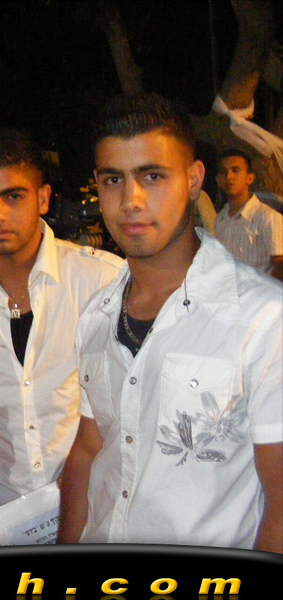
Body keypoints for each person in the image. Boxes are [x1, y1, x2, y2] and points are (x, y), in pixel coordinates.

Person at [58, 93, 282, 553]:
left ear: (194, 179)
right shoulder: (97, 315)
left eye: (152, 176)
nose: (131, 201)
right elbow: (89, 449)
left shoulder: (262, 319)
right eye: (113, 179)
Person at [0, 128, 123, 529]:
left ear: (43, 198)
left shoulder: (103, 281)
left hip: (96, 504)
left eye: (13, 196)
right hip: (0, 509)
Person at [214, 148, 283, 280]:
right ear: (218, 180)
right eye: (223, 172)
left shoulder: (268, 218)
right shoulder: (220, 220)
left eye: (235, 170)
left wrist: (262, 290)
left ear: (249, 178)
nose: (229, 177)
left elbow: (280, 266)